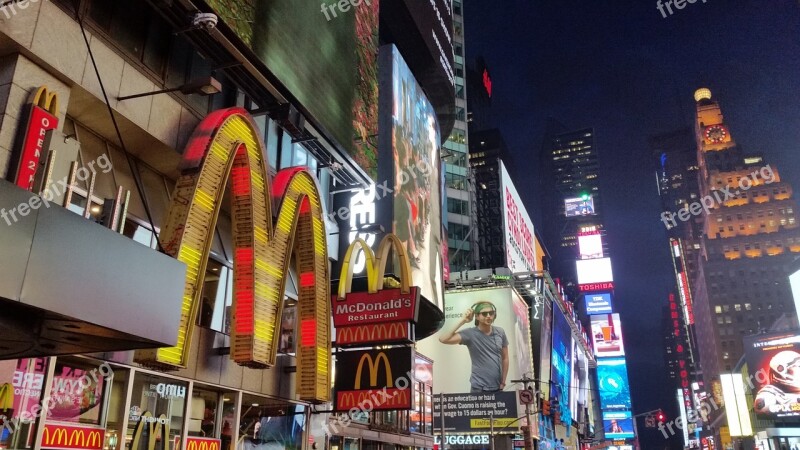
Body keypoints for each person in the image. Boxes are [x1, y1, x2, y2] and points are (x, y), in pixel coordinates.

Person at [439, 301, 509, 392]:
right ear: (477, 316)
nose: (488, 316)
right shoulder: (470, 334)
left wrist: (503, 381)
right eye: (484, 314)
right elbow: (443, 339)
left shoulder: (500, 332)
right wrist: (463, 320)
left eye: (491, 313)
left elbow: (505, 358)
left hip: (497, 387)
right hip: (479, 388)